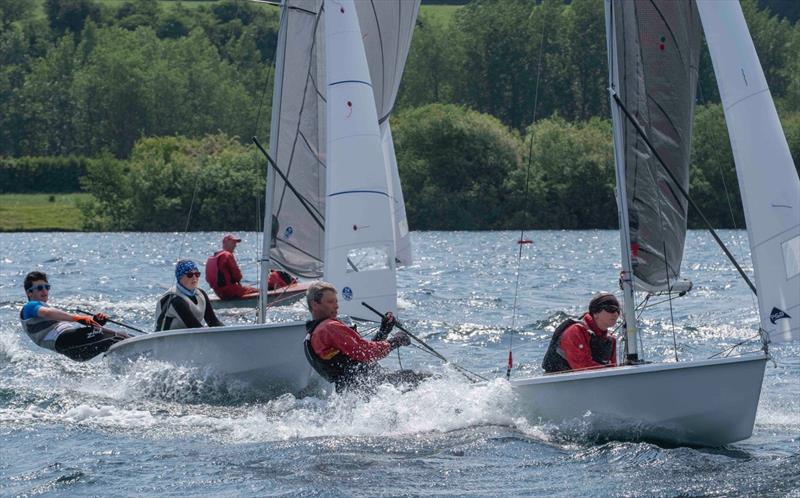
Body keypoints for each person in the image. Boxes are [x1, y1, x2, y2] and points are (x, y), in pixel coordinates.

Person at [303, 281, 427, 393]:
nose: (336, 306)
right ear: (315, 305)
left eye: (336, 301)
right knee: (427, 380)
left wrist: (383, 331)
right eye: (330, 302)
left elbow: (361, 357)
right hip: (371, 385)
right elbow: (365, 353)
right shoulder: (329, 327)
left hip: (354, 391)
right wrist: (395, 341)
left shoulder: (313, 334)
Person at [19, 271, 130, 361]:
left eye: (47, 287)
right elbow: (47, 313)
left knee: (115, 341)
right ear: (29, 293)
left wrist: (95, 321)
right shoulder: (30, 306)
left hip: (75, 349)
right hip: (67, 341)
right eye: (39, 288)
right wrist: (78, 318)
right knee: (121, 336)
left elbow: (57, 317)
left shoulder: (45, 309)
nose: (44, 291)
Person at [541, 292, 620, 373]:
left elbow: (613, 369)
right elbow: (582, 367)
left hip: (594, 381)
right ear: (596, 313)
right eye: (611, 309)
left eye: (618, 310)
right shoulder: (575, 332)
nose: (615, 314)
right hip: (559, 382)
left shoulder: (610, 339)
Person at [155, 260, 224, 331]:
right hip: (166, 339)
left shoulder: (201, 294)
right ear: (180, 277)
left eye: (197, 274)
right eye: (189, 275)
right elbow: (194, 326)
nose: (194, 278)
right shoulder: (176, 300)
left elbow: (213, 322)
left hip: (189, 337)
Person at [205, 234, 260, 300]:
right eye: (233, 242)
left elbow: (207, 278)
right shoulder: (227, 255)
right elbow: (237, 275)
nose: (235, 245)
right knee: (259, 291)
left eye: (235, 243)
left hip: (218, 292)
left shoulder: (213, 257)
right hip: (230, 291)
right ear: (225, 243)